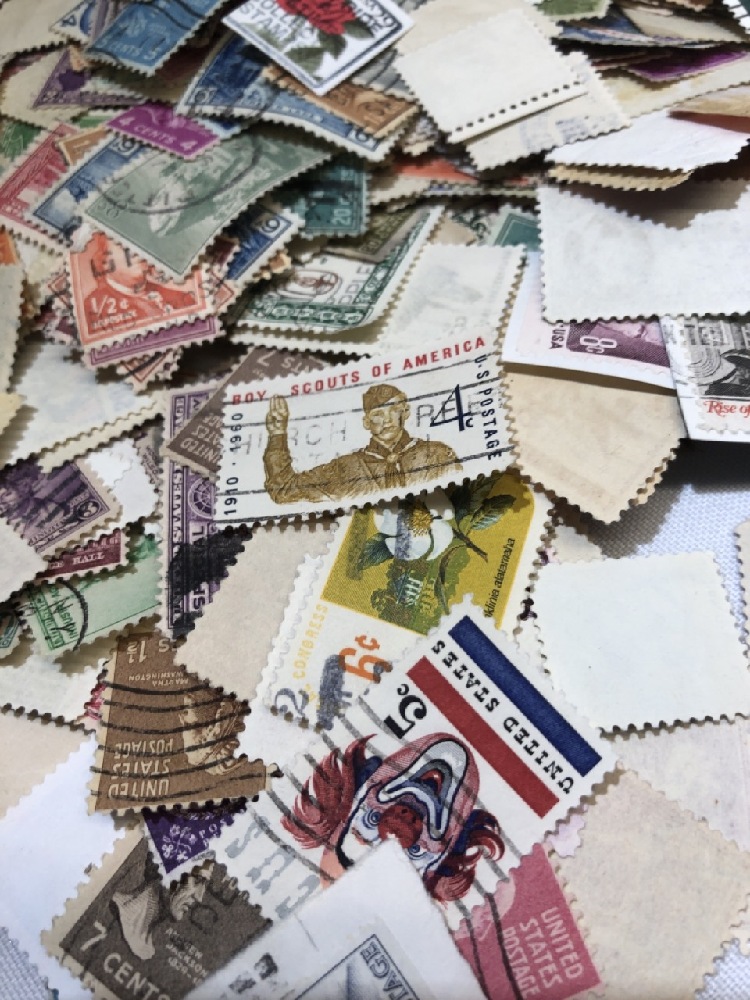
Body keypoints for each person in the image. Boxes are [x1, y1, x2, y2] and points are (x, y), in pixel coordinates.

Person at [263, 383, 461, 503]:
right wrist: (277, 435)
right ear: (366, 422)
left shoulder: (438, 455)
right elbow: (284, 490)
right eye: (377, 414)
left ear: (406, 412)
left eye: (393, 410)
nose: (387, 420)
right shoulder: (345, 469)